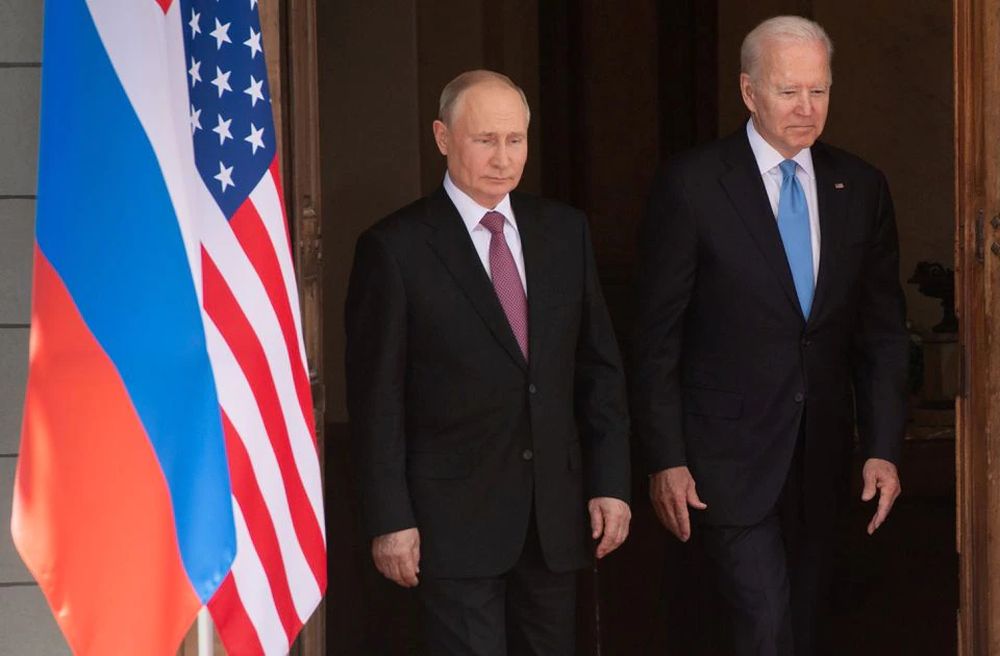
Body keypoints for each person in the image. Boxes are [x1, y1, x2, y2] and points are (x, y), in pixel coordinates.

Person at [632, 16, 908, 656]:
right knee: (763, 625)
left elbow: (882, 334)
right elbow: (656, 338)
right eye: (789, 91)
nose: (807, 108)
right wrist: (666, 457)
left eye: (819, 90)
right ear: (748, 91)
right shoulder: (692, 185)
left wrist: (883, 446)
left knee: (806, 627)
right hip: (724, 460)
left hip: (824, 461)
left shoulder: (860, 186)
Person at [345, 69, 631, 656]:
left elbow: (598, 369)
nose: (503, 158)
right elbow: (377, 400)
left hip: (553, 521)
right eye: (485, 140)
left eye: (515, 140)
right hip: (450, 525)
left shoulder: (564, 231)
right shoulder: (394, 248)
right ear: (442, 137)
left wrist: (610, 483)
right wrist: (390, 518)